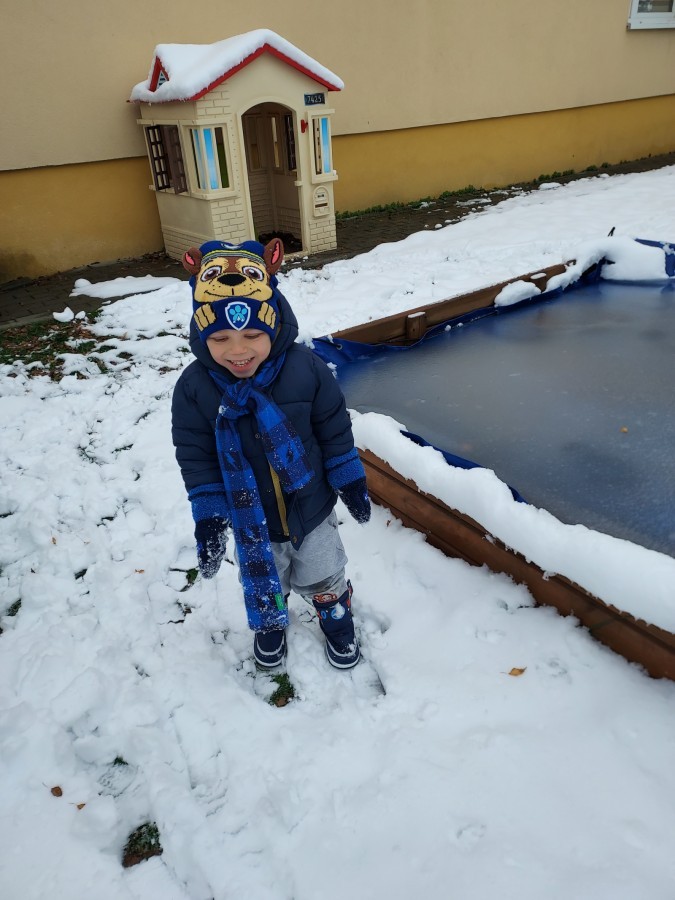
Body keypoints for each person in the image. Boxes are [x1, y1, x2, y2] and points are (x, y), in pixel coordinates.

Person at [171, 237, 371, 670]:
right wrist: (209, 514)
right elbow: (195, 455)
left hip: (312, 507)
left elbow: (333, 427)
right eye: (219, 338)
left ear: (274, 325)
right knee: (267, 580)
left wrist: (348, 475)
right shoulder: (194, 388)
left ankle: (335, 613)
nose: (238, 350)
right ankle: (270, 622)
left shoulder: (306, 368)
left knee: (324, 573)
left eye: (252, 335)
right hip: (252, 518)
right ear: (201, 336)